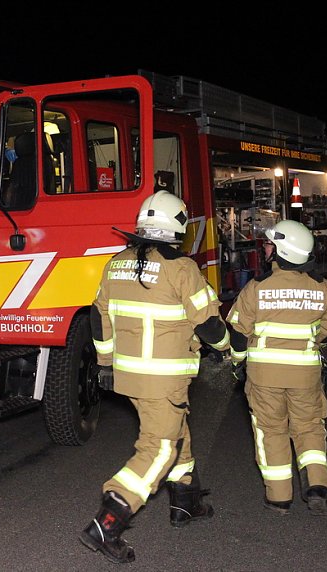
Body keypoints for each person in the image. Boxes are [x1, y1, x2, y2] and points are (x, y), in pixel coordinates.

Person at [80, 191, 231, 564]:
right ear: (177, 226)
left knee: (177, 433)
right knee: (160, 448)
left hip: (128, 376)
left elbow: (98, 317)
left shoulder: (115, 263)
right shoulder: (181, 268)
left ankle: (185, 502)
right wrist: (226, 347)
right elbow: (209, 325)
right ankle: (107, 522)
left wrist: (104, 364)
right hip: (162, 379)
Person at [226, 219, 327, 515]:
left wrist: (238, 362)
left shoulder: (257, 287)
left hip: (264, 377)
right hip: (306, 375)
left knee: (271, 431)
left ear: (281, 251)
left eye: (269, 244)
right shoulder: (323, 287)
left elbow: (238, 331)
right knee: (309, 427)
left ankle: (279, 497)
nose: (265, 248)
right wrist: (311, 341)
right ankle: (317, 486)